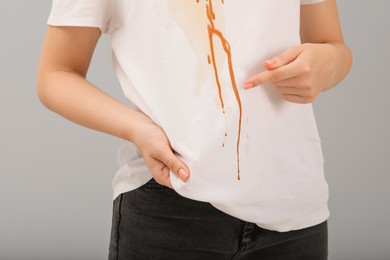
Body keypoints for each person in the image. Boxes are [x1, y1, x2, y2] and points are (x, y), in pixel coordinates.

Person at [37, 0, 352, 259]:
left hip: (295, 207)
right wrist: (138, 130)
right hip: (171, 207)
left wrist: (324, 63)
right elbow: (55, 74)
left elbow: (333, 46)